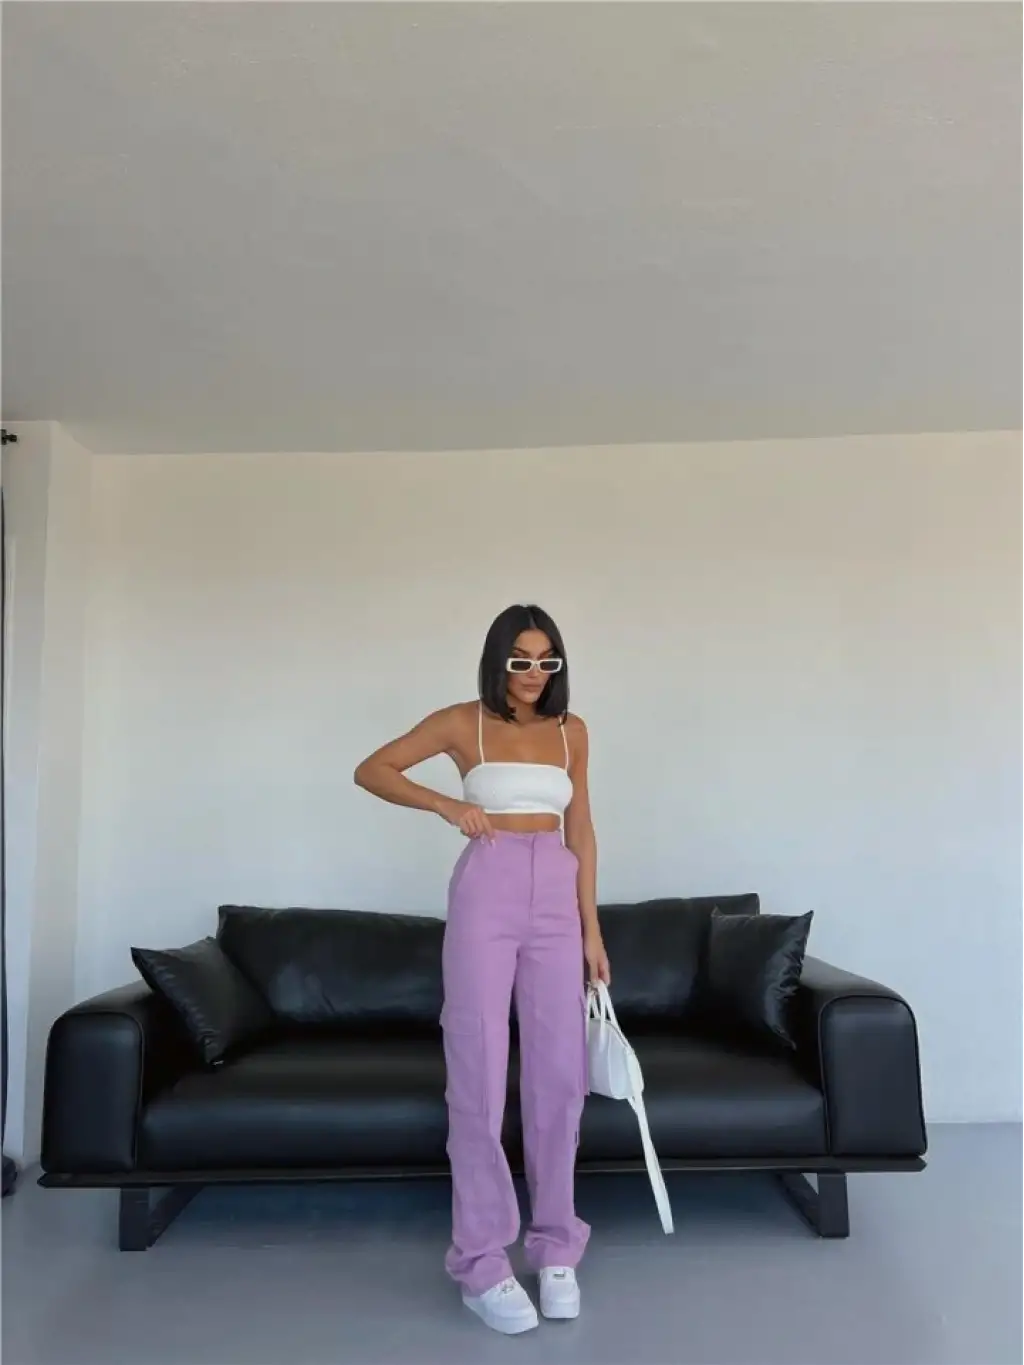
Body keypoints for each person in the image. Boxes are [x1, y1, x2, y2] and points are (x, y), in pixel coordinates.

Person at [354, 603, 610, 1335]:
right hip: (487, 887)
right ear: (498, 659)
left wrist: (592, 928)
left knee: (559, 1075)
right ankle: (481, 1262)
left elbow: (581, 826)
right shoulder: (462, 723)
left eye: (546, 660)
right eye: (520, 659)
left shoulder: (572, 731)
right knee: (478, 1070)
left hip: (556, 892)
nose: (533, 673)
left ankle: (556, 1247)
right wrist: (444, 804)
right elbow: (372, 769)